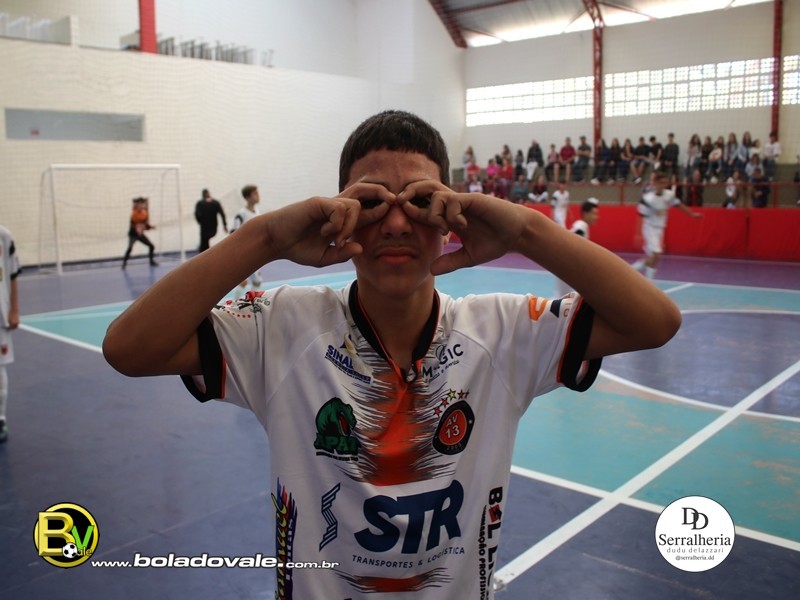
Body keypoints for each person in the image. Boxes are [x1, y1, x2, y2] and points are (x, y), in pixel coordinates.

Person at [103, 110, 681, 599]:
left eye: (423, 201)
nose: (399, 222)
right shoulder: (280, 328)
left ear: (452, 216)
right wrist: (266, 238)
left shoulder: (503, 333)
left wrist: (525, 231)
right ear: (339, 212)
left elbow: (655, 322)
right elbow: (129, 349)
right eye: (372, 202)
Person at [633, 170, 701, 280]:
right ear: (655, 183)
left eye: (665, 183)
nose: (663, 185)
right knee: (656, 254)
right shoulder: (647, 199)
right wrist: (638, 234)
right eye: (661, 182)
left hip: (660, 229)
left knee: (653, 257)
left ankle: (635, 272)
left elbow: (679, 205)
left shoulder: (669, 195)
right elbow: (641, 216)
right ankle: (644, 279)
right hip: (650, 228)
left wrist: (692, 214)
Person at [554, 199, 600, 296]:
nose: (596, 217)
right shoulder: (582, 225)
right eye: (594, 214)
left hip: (564, 263)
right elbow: (574, 239)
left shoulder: (581, 225)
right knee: (564, 297)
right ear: (586, 214)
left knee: (565, 296)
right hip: (565, 264)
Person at [0, 225, 21, 443]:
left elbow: (13, 274)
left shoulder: (4, 236)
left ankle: (0, 418)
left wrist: (14, 309)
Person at [230, 185, 263, 292]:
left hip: (255, 252)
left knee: (256, 282)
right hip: (245, 252)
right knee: (245, 281)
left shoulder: (257, 211)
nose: (258, 196)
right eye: (255, 193)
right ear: (248, 197)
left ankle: (251, 301)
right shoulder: (241, 214)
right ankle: (240, 302)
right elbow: (233, 233)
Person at [122, 197, 157, 268]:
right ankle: (124, 263)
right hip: (133, 234)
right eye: (139, 204)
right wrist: (141, 227)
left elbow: (145, 225)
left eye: (142, 204)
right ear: (136, 206)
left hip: (140, 234)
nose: (141, 206)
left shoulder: (145, 213)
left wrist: (151, 227)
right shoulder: (134, 214)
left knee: (151, 246)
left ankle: (151, 261)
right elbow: (137, 226)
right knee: (130, 248)